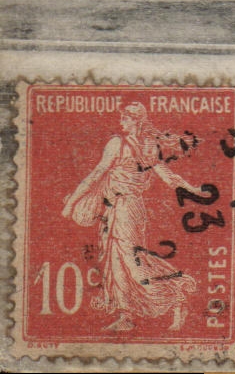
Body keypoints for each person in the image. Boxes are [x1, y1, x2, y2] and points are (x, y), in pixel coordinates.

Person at [61, 103, 204, 332]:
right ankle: (126, 316)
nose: (121, 123)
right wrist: (193, 189)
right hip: (121, 208)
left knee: (130, 262)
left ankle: (176, 296)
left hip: (126, 209)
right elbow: (167, 176)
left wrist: (71, 204)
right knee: (117, 261)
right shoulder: (146, 146)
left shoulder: (120, 144)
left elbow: (96, 174)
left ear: (136, 120)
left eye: (125, 119)